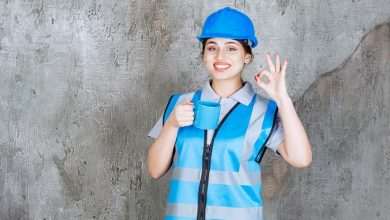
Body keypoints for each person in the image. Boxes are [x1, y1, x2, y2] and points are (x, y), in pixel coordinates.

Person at [146, 6, 312, 220]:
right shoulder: (180, 103)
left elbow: (301, 159)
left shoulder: (263, 111)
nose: (220, 56)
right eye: (212, 47)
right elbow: (155, 170)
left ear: (247, 56)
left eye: (231, 48)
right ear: (203, 54)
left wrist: (283, 100)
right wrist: (172, 125)